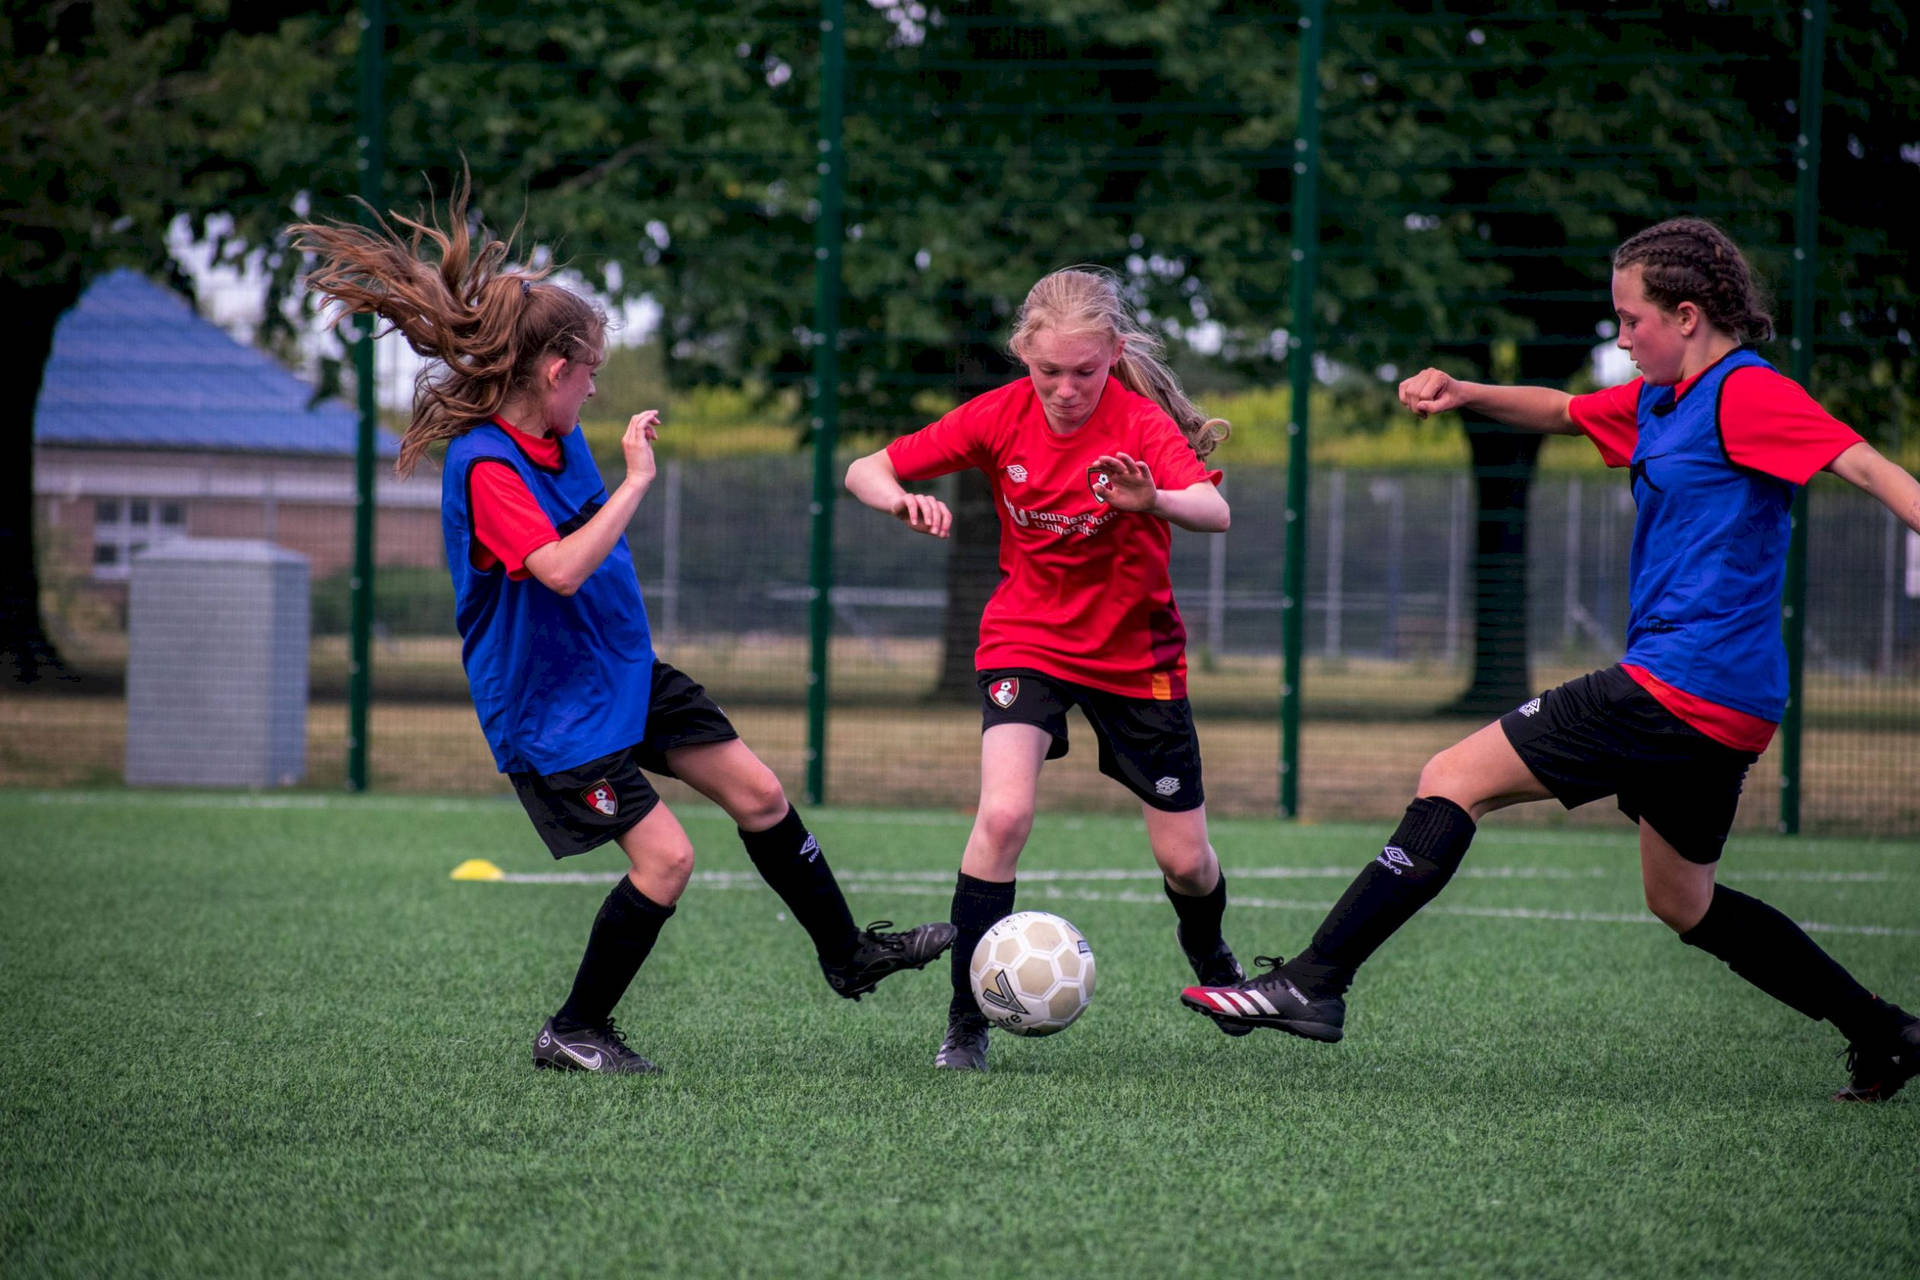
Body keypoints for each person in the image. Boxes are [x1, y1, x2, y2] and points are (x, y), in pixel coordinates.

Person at [1181, 217, 1920, 1102]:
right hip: (1726, 702)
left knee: (1454, 775)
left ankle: (1314, 980)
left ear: (1687, 315)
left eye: (1631, 319)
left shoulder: (1747, 394)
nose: (1621, 337)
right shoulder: (1662, 400)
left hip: (1680, 684)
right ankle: (1884, 1032)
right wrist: (1464, 390)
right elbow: (1565, 411)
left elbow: (1871, 468)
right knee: (1683, 901)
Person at [290, 181, 954, 1075]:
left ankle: (849, 956)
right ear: (554, 371)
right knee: (668, 861)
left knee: (758, 794)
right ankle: (573, 1028)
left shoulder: (564, 440)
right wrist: (638, 485)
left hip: (620, 673)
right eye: (592, 367)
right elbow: (559, 570)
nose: (598, 384)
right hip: (553, 712)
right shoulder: (487, 466)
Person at [845, 266, 1244, 1072]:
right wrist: (899, 500)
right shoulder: (999, 415)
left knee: (1186, 863)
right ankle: (967, 1020)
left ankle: (1213, 962)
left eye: (1085, 372)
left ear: (1114, 355)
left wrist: (1154, 500)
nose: (1065, 389)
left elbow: (1214, 509)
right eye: (1048, 370)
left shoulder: (1137, 425)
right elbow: (866, 467)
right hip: (1026, 638)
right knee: (1002, 818)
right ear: (1023, 354)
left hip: (1138, 655)